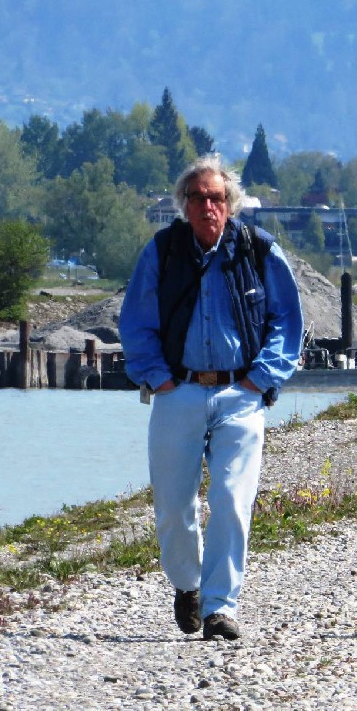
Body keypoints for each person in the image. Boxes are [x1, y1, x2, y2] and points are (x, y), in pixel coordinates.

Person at [119, 155, 303, 641]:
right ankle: (188, 585)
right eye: (197, 197)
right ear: (184, 204)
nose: (207, 206)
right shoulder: (162, 251)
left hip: (240, 393)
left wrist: (261, 379)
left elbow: (288, 321)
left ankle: (221, 607)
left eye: (216, 197)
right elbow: (135, 322)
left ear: (231, 204)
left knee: (231, 499)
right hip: (177, 390)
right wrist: (157, 377)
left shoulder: (259, 251)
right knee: (173, 503)